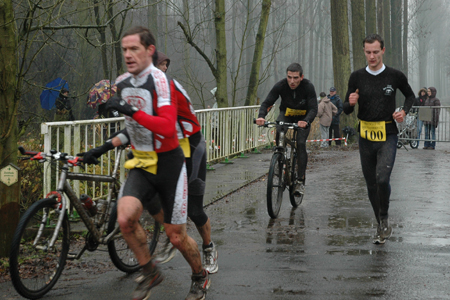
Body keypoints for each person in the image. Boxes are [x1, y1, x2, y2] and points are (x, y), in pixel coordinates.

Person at [81, 26, 209, 300]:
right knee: (125, 218)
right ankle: (149, 271)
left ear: (149, 51)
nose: (128, 55)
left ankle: (199, 276)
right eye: (124, 49)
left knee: (176, 237)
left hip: (169, 164)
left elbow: (164, 126)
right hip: (142, 161)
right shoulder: (123, 82)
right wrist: (102, 148)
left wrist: (129, 109)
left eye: (134, 49)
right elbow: (133, 129)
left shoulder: (160, 82)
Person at [150, 51, 218, 274]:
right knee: (153, 197)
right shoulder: (147, 89)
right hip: (171, 150)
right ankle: (172, 234)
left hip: (192, 147)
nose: (163, 70)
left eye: (164, 67)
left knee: (194, 209)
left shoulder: (169, 89)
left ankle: (208, 247)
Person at [343, 34, 415, 244]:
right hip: (365, 135)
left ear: (383, 50)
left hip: (388, 134)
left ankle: (384, 216)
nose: (372, 56)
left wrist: (403, 111)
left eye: (375, 52)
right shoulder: (356, 77)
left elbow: (410, 96)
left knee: (382, 178)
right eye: (368, 52)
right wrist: (350, 102)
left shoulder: (394, 76)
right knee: (371, 184)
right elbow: (346, 109)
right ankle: (380, 224)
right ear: (364, 52)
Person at [256, 63, 318, 196]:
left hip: (303, 118)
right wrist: (261, 116)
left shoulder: (308, 87)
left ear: (301, 77)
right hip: (287, 114)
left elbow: (313, 108)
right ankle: (280, 156)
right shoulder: (281, 85)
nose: (292, 81)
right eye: (289, 77)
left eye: (295, 78)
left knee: (300, 144)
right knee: (279, 129)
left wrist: (306, 121)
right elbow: (267, 103)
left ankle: (300, 181)